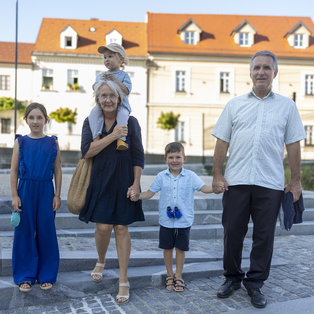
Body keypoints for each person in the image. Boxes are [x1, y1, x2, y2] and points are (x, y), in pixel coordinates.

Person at [211, 50, 306, 308]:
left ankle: (255, 284)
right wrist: (217, 174)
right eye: (257, 68)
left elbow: (294, 145)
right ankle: (232, 278)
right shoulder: (234, 105)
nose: (261, 72)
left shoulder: (287, 106)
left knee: (264, 237)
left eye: (266, 68)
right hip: (237, 182)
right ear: (250, 72)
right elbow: (222, 141)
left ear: (275, 73)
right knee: (232, 233)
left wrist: (295, 181)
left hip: (270, 184)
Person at [79, 79, 144, 304]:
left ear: (119, 99)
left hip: (125, 180)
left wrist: (136, 184)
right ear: (98, 99)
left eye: (112, 96)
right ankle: (101, 258)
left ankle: (123, 279)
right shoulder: (91, 123)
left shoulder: (131, 122)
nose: (108, 100)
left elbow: (138, 156)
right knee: (103, 227)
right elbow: (87, 152)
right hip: (100, 182)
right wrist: (114, 135)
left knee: (122, 228)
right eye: (103, 96)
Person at [130, 142, 212, 292]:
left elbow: (204, 188)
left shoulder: (190, 176)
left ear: (184, 158)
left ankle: (179, 275)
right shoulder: (161, 176)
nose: (175, 160)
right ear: (165, 159)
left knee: (180, 248)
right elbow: (150, 192)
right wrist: (138, 195)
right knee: (167, 248)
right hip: (166, 221)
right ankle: (169, 275)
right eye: (171, 157)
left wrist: (215, 188)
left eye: (178, 157)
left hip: (184, 220)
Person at [10, 102, 62, 292]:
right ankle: (25, 276)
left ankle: (46, 274)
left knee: (46, 231)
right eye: (31, 117)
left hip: (46, 190)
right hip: (25, 189)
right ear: (26, 120)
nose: (35, 121)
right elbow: (14, 170)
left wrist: (57, 194)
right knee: (24, 231)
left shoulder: (52, 142)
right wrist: (15, 195)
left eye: (39, 117)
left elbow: (58, 170)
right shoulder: (20, 142)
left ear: (45, 119)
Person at [89, 42, 131, 151]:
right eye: (105, 57)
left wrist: (115, 80)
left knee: (123, 115)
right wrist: (101, 81)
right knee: (94, 113)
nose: (107, 59)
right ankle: (96, 137)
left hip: (121, 105)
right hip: (104, 105)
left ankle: (121, 139)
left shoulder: (124, 75)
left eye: (110, 56)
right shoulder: (101, 75)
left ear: (120, 60)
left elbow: (126, 91)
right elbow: (95, 88)